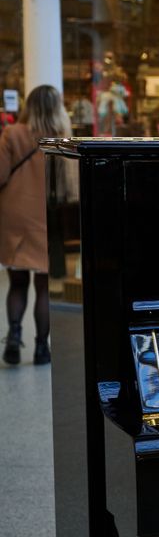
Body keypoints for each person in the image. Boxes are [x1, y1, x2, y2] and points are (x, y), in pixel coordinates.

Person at [0, 85, 72, 365]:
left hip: (14, 214)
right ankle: (42, 348)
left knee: (17, 284)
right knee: (44, 286)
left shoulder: (12, 133)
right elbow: (68, 184)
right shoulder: (62, 139)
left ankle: (15, 336)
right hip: (47, 215)